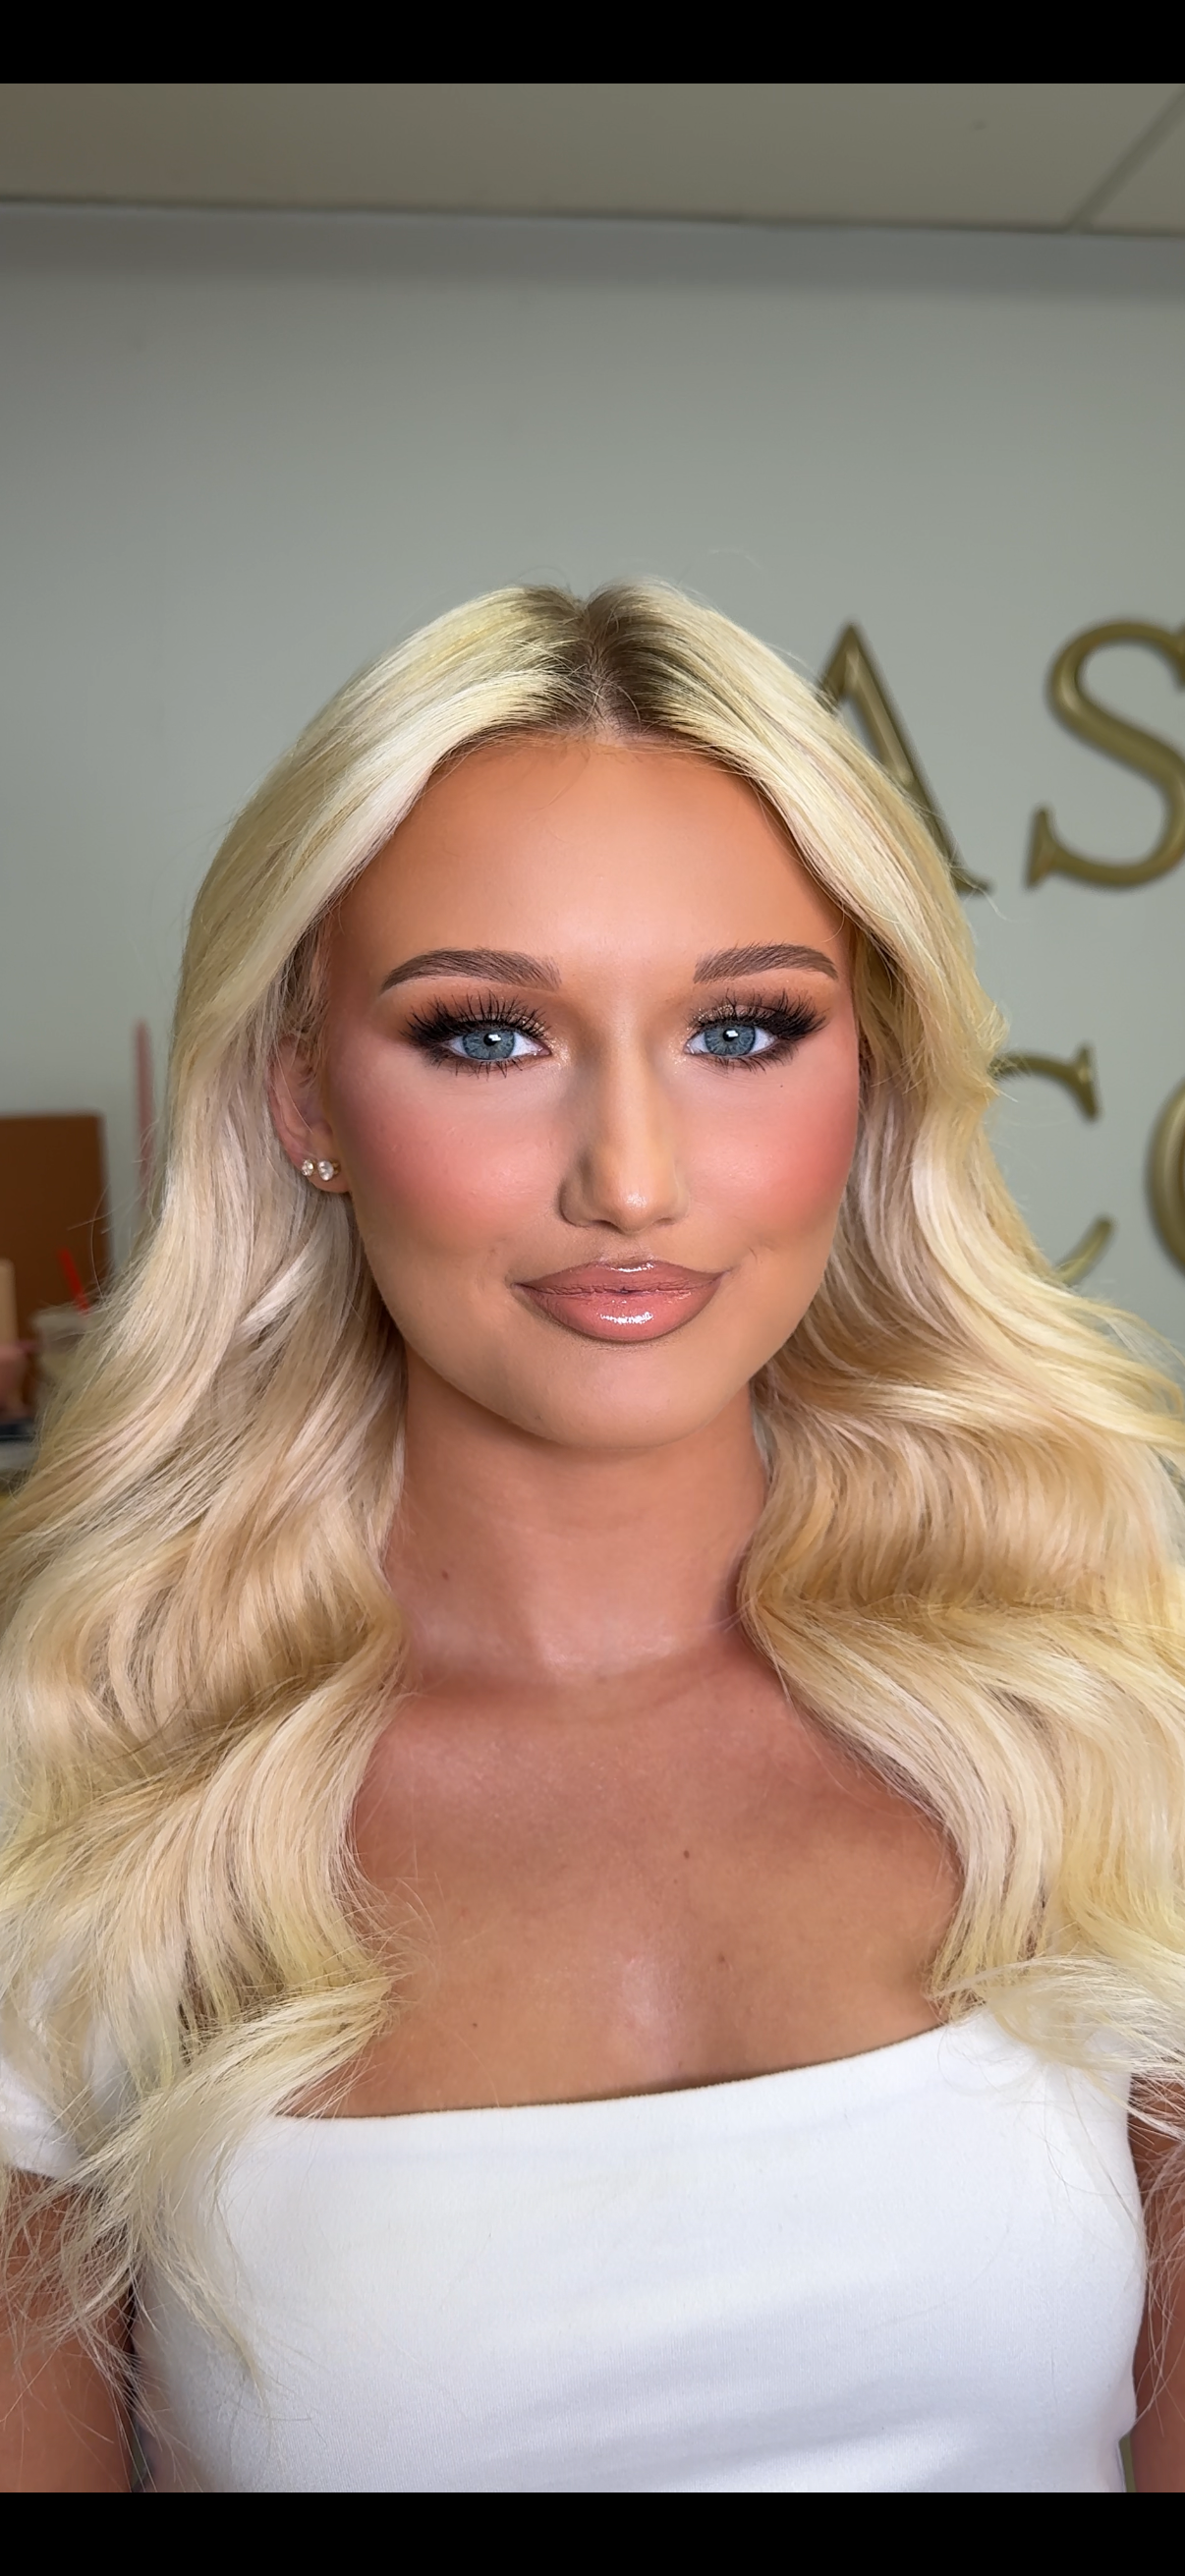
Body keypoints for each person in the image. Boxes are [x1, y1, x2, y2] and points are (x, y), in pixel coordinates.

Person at [2, 584, 1184, 2492]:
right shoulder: (86, 1797)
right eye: (485, 1034)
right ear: (306, 1094)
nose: (629, 1174)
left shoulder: (1106, 1711)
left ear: (868, 1069)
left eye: (741, 1026)